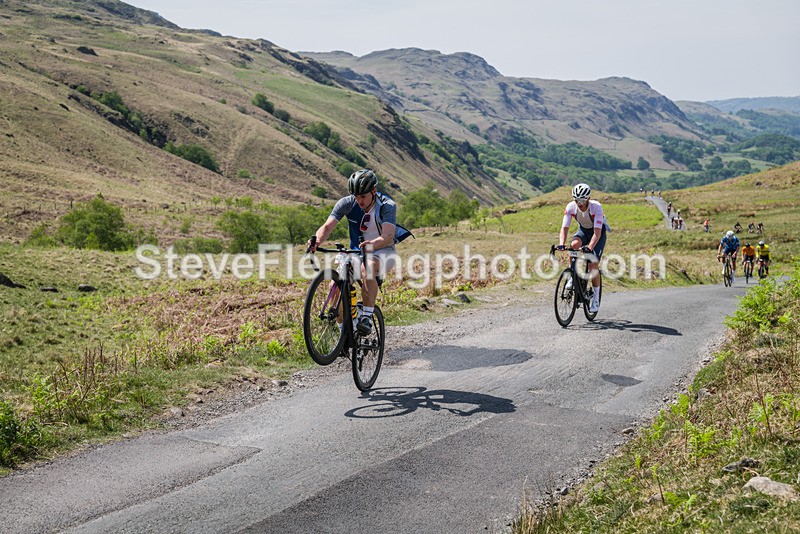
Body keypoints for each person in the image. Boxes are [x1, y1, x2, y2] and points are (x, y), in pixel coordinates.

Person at [307, 169, 411, 335]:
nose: (359, 200)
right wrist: (317, 241)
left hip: (383, 250)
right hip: (356, 251)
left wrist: (372, 243)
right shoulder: (346, 203)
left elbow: (387, 235)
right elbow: (327, 227)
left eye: (363, 196)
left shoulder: (386, 206)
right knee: (336, 285)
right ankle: (343, 334)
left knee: (368, 266)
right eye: (356, 196)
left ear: (374, 191)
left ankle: (366, 318)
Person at [557, 183, 609, 313]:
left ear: (588, 199)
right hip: (584, 231)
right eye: (576, 200)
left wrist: (590, 247)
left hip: (597, 233)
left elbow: (597, 233)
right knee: (573, 246)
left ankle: (596, 298)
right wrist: (562, 243)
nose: (579, 203)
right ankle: (572, 278)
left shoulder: (596, 207)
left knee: (592, 265)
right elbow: (564, 228)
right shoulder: (571, 207)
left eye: (582, 200)